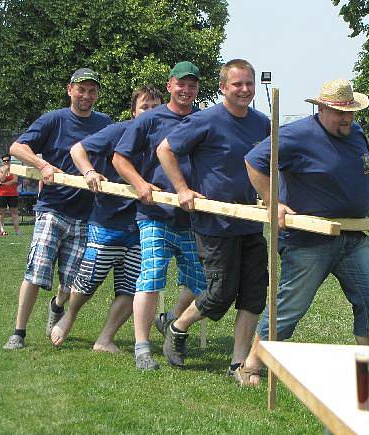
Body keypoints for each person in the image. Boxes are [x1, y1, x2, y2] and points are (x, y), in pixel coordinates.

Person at [238, 79, 369, 386]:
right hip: (308, 240)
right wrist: (273, 202)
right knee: (290, 308)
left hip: (352, 237)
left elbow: (366, 170)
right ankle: (251, 365)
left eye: (350, 112)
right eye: (338, 112)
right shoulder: (296, 135)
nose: (346, 118)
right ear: (321, 108)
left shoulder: (356, 133)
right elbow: (254, 162)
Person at [156, 59, 271, 373]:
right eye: (237, 84)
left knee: (254, 294)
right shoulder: (205, 120)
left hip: (249, 221)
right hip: (214, 222)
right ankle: (177, 327)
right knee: (219, 293)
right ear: (223, 88)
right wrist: (182, 189)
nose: (245, 89)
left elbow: (271, 164)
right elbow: (165, 150)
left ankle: (237, 362)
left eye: (249, 83)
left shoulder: (262, 124)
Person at [50, 85, 164, 356]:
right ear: (134, 111)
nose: (150, 113)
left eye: (155, 108)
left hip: (141, 224)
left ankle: (105, 339)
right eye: (144, 107)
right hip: (107, 221)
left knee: (131, 287)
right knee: (88, 281)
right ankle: (69, 316)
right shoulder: (118, 131)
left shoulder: (164, 136)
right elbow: (78, 149)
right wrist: (89, 171)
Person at [3, 68, 111, 350]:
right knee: (36, 271)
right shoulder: (54, 120)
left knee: (72, 281)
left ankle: (57, 306)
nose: (86, 95)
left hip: (85, 214)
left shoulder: (104, 123)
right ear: (69, 90)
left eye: (92, 90)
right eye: (81, 89)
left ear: (97, 94)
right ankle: (19, 332)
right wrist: (42, 165)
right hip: (52, 209)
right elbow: (17, 146)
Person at [113, 61, 206, 369]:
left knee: (202, 284)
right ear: (170, 85)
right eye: (181, 84)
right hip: (154, 214)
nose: (187, 90)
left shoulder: (203, 120)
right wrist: (139, 183)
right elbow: (119, 158)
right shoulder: (150, 120)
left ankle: (170, 320)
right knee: (151, 277)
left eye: (192, 85)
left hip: (193, 218)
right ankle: (142, 348)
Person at [0, 154, 20, 235]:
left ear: (10, 160)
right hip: (2, 194)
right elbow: (1, 179)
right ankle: (1, 230)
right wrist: (5, 171)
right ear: (2, 161)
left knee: (14, 212)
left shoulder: (14, 169)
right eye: (4, 161)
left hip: (13, 193)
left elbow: (15, 180)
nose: (6, 162)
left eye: (7, 160)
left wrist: (4, 184)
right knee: (1, 212)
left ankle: (17, 231)